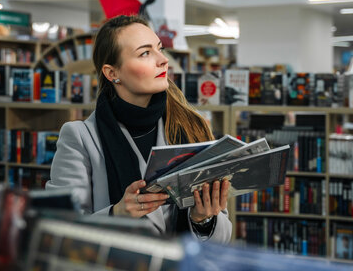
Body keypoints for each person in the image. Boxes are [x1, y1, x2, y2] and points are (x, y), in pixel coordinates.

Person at [46, 15, 232, 242]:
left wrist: (203, 219)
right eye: (145, 53)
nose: (163, 60)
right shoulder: (80, 137)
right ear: (112, 73)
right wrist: (118, 213)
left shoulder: (192, 126)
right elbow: (59, 229)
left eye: (159, 48)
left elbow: (222, 237)